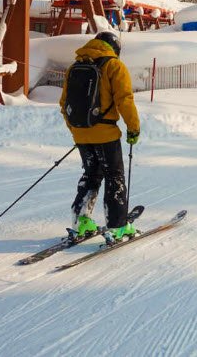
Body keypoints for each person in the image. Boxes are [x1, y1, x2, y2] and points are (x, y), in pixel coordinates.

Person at [59, 31, 140, 242]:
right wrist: (133, 128)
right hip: (105, 134)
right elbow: (124, 100)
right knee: (115, 177)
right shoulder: (114, 66)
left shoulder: (74, 67)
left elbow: (63, 103)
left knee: (91, 174)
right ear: (115, 48)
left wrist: (77, 129)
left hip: (81, 133)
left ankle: (81, 220)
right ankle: (118, 226)